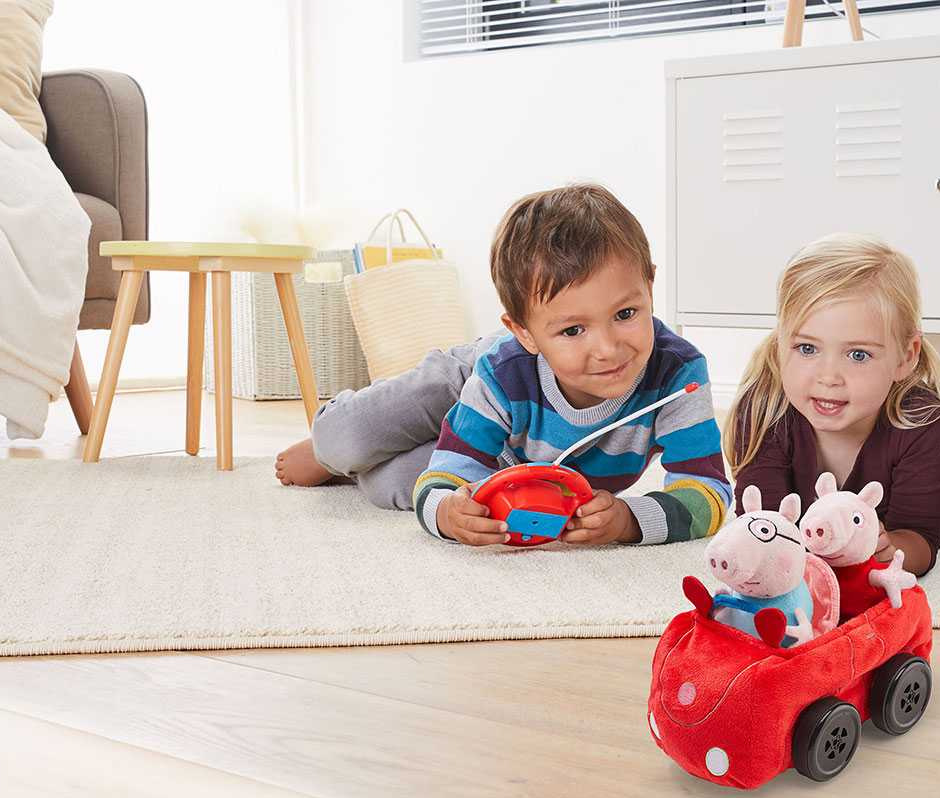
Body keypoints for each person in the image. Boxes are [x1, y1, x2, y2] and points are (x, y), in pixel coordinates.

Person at [276, 183, 732, 546]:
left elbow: (707, 493)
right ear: (524, 331)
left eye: (626, 314)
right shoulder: (505, 366)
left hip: (510, 456)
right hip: (477, 379)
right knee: (345, 439)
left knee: (392, 483)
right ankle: (327, 452)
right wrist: (443, 512)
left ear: (649, 286)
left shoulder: (678, 375)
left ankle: (383, 456)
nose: (608, 349)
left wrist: (629, 520)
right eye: (573, 329)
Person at [724, 232, 940, 576]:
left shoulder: (923, 423)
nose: (828, 377)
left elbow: (920, 540)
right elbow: (765, 529)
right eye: (807, 348)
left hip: (930, 451)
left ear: (905, 357)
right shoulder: (763, 410)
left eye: (858, 354)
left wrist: (889, 549)